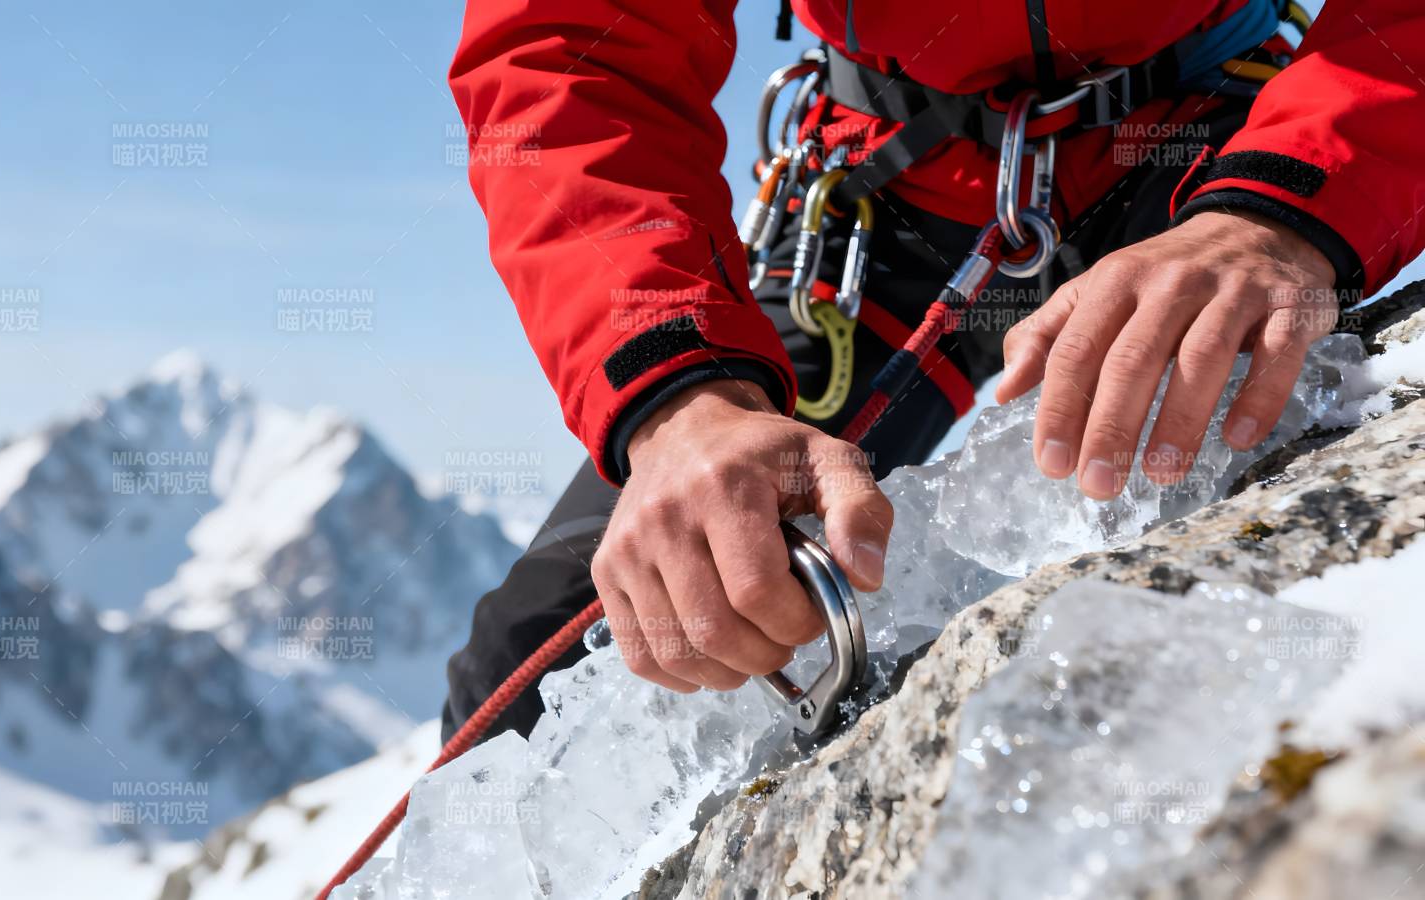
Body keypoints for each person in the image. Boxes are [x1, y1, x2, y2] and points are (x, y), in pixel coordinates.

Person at [439, 0, 1425, 741]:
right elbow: (566, 52)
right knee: (540, 662)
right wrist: (678, 398)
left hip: (1213, 155)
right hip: (887, 198)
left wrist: (1282, 208)